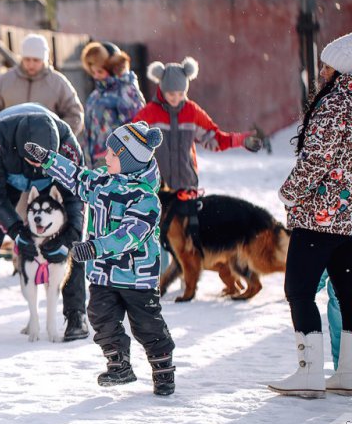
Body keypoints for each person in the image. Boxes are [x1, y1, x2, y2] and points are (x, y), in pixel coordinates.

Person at [24, 120, 176, 396]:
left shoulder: (146, 198)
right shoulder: (102, 182)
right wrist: (48, 159)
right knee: (100, 317)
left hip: (136, 277)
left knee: (147, 326)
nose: (106, 157)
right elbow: (76, 177)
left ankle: (163, 369)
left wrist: (95, 248)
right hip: (104, 275)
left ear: (130, 162)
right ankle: (119, 365)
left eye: (113, 154)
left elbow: (131, 234)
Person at [0, 103, 89, 341]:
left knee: (74, 243)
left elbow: (76, 197)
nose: (39, 165)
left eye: (46, 160)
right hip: (9, 180)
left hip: (53, 185)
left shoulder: (68, 146)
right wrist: (17, 232)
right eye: (34, 160)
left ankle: (76, 315)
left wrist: (69, 237)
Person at [268, 33, 352, 398]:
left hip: (320, 214)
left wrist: (289, 193)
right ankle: (348, 372)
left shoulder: (335, 104)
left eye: (326, 66)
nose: (321, 73)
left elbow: (316, 158)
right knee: (349, 293)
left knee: (299, 290)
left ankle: (309, 373)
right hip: (349, 218)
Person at [133, 57, 263, 265]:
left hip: (186, 185)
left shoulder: (191, 112)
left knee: (186, 236)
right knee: (158, 231)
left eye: (180, 93)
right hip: (157, 186)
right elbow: (131, 140)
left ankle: (183, 273)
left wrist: (240, 140)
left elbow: (214, 138)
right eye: (170, 94)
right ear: (161, 89)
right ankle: (157, 274)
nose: (176, 98)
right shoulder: (149, 114)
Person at [0, 34, 84, 136]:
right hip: (10, 146)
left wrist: (59, 136)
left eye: (36, 60)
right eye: (27, 59)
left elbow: (75, 114)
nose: (31, 65)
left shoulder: (58, 83)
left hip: (47, 146)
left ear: (44, 59)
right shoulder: (6, 80)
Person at [80, 41, 146, 168]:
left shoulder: (126, 92)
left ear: (113, 69)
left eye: (100, 71)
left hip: (117, 163)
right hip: (95, 162)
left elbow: (135, 129)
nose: (96, 76)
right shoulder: (95, 95)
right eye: (93, 72)